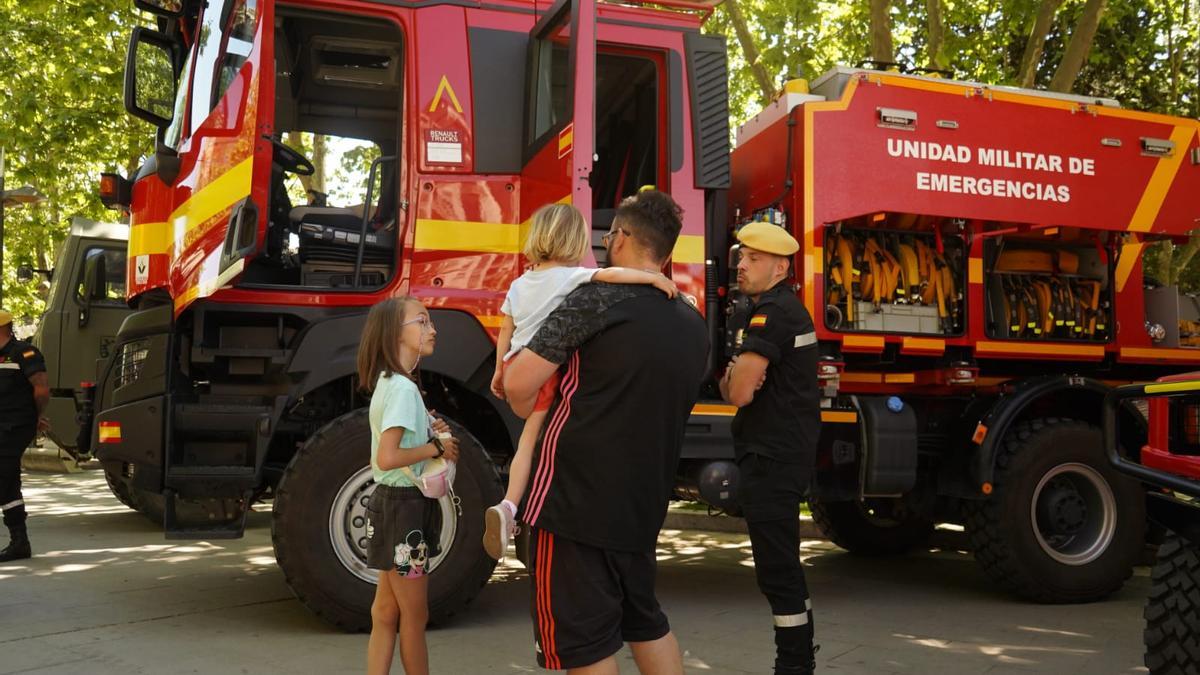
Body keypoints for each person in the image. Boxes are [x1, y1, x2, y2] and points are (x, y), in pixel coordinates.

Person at [504, 190, 708, 674]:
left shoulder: (592, 300)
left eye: (608, 234)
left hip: (573, 506)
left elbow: (517, 387)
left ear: (621, 238)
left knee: (586, 649)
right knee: (645, 622)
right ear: (667, 250)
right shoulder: (692, 320)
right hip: (641, 508)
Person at [484, 203, 676, 561]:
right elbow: (614, 277)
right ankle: (512, 507)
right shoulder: (570, 278)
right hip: (545, 375)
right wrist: (654, 278)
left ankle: (511, 506)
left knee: (530, 436)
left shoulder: (519, 283)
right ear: (576, 241)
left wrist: (498, 370)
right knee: (533, 441)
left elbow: (505, 331)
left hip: (514, 365)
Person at [719, 221, 821, 675]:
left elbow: (738, 391)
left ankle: (795, 666)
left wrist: (736, 376)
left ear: (780, 268)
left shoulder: (774, 313)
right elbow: (738, 384)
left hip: (775, 455)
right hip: (774, 452)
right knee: (776, 568)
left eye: (753, 259)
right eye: (742, 256)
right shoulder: (767, 308)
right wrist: (739, 376)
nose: (741, 265)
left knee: (778, 570)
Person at [356, 297, 461, 675]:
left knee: (385, 611)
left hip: (389, 507)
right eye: (423, 321)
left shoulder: (389, 384)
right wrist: (437, 447)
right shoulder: (402, 389)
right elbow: (387, 457)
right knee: (415, 617)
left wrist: (430, 437)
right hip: (407, 518)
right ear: (395, 333)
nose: (432, 329)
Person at [0, 309, 49, 563]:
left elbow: (41, 388)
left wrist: (37, 415)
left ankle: (20, 541)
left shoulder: (25, 352)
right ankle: (20, 542)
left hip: (16, 426)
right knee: (7, 483)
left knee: (3, 475)